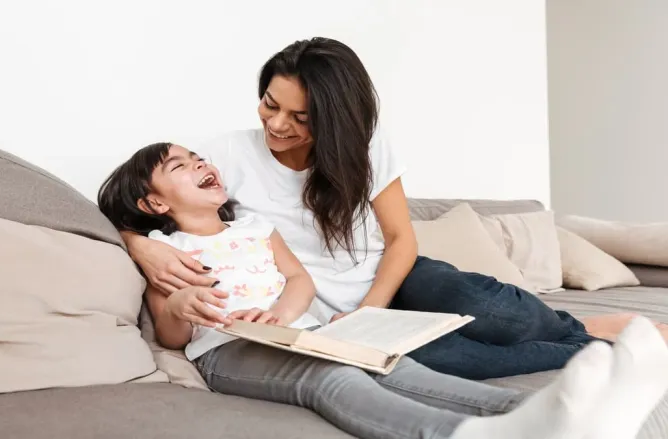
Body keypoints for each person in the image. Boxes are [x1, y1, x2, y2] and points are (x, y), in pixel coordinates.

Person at [120, 37, 621, 380]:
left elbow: (401, 239)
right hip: (316, 315)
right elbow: (132, 204)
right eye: (269, 104)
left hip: (389, 280)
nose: (276, 125)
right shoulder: (225, 154)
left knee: (484, 305)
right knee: (450, 357)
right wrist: (143, 248)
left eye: (300, 117)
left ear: (336, 120)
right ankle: (592, 345)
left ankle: (578, 326)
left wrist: (371, 310)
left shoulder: (367, 147)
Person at [97, 141, 668, 439]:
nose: (200, 162)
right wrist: (176, 303)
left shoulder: (253, 228)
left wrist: (284, 312)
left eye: (197, 156)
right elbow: (171, 333)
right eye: (179, 165)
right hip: (225, 349)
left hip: (304, 331)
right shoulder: (171, 253)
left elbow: (298, 279)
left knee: (405, 370)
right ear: (153, 204)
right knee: (336, 380)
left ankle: (549, 414)